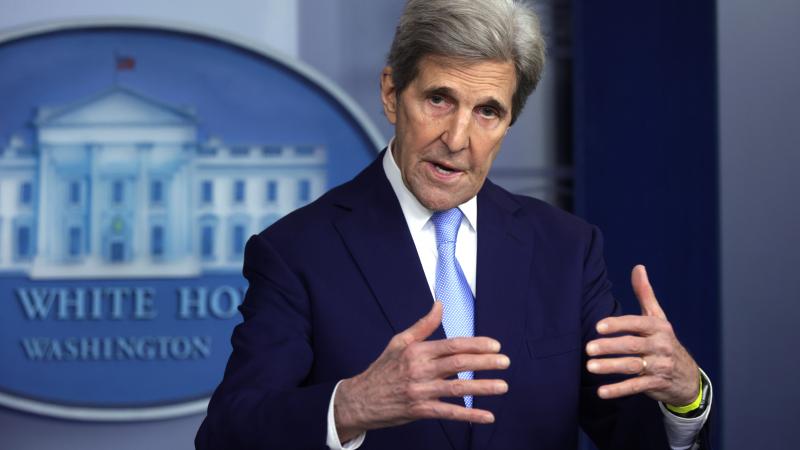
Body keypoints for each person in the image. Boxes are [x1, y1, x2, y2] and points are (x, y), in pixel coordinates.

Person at [195, 0, 712, 449]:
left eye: (487, 111)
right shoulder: (297, 251)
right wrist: (349, 406)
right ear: (392, 94)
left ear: (508, 123)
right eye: (439, 99)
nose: (458, 137)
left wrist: (686, 398)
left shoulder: (567, 248)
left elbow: (631, 436)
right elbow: (227, 434)